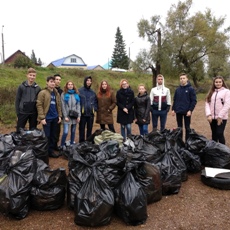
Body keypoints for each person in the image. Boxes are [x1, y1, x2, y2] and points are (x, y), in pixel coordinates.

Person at [36, 76, 62, 158]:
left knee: (54, 135)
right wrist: (42, 118)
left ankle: (50, 151)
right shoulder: (43, 92)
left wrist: (60, 116)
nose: (53, 83)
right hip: (47, 118)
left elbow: (59, 105)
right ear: (47, 82)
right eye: (51, 81)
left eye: (54, 82)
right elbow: (39, 105)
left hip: (55, 117)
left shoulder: (56, 93)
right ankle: (46, 152)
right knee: (47, 136)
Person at [172, 73, 197, 141]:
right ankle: (180, 142)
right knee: (179, 128)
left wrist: (190, 110)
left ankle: (187, 142)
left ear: (187, 79)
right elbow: (175, 100)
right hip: (179, 111)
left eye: (183, 78)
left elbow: (194, 101)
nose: (182, 80)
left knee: (187, 128)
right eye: (181, 78)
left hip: (187, 112)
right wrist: (173, 109)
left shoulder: (190, 89)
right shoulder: (177, 90)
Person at [205, 76, 230, 144]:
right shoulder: (211, 92)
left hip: (221, 118)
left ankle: (223, 151)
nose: (218, 83)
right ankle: (215, 151)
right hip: (212, 117)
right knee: (214, 134)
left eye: (220, 82)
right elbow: (207, 104)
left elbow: (227, 105)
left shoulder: (226, 92)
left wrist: (220, 116)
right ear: (214, 83)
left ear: (222, 83)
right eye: (216, 82)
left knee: (219, 133)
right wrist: (208, 115)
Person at [15, 67, 41, 132]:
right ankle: (19, 142)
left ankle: (30, 142)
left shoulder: (38, 88)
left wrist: (39, 115)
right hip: (23, 112)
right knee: (19, 131)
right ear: (27, 75)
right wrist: (18, 114)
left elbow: (39, 102)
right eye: (30, 75)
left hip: (33, 113)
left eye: (33, 75)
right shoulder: (21, 87)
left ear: (35, 77)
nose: (32, 77)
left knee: (33, 131)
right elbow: (17, 100)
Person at [60, 81, 81, 149]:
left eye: (71, 84)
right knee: (65, 132)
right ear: (66, 86)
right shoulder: (64, 94)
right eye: (68, 84)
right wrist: (65, 116)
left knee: (73, 131)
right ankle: (62, 144)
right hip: (67, 116)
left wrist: (78, 116)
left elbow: (78, 105)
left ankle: (72, 143)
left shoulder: (76, 94)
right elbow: (63, 106)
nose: (70, 86)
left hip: (74, 116)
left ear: (73, 85)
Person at [78, 76, 98, 142]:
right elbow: (77, 101)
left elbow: (96, 102)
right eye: (87, 80)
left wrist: (94, 109)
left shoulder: (93, 92)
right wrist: (80, 109)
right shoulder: (80, 91)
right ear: (85, 81)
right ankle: (81, 142)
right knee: (81, 129)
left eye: (90, 81)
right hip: (82, 114)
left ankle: (88, 142)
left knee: (89, 129)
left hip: (90, 114)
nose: (89, 82)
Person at [53, 74, 63, 151]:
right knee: (50, 132)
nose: (58, 81)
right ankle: (49, 147)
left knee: (57, 131)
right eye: (57, 79)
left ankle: (55, 145)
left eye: (59, 80)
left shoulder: (61, 91)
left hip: (58, 114)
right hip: (50, 114)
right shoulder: (50, 90)